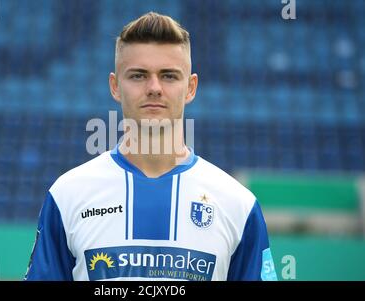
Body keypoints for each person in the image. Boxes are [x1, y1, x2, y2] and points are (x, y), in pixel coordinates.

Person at [24, 12, 277, 281]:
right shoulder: (68, 196)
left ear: (191, 88)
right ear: (115, 86)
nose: (154, 88)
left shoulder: (237, 204)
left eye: (168, 76)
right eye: (138, 76)